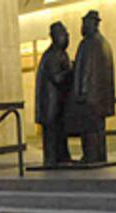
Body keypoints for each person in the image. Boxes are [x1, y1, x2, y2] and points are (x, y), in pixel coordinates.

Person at [72, 10, 116, 163]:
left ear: (93, 24)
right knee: (99, 129)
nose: (82, 27)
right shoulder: (104, 44)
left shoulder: (88, 43)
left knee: (88, 128)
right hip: (102, 98)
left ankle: (90, 156)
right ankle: (100, 155)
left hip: (89, 97)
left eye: (84, 23)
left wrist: (81, 93)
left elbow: (85, 71)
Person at [35, 22, 73, 168]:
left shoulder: (60, 54)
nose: (67, 36)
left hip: (58, 104)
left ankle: (62, 157)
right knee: (51, 134)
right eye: (64, 34)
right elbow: (57, 78)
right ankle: (52, 160)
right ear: (55, 37)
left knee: (59, 133)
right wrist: (72, 71)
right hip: (50, 105)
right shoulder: (52, 55)